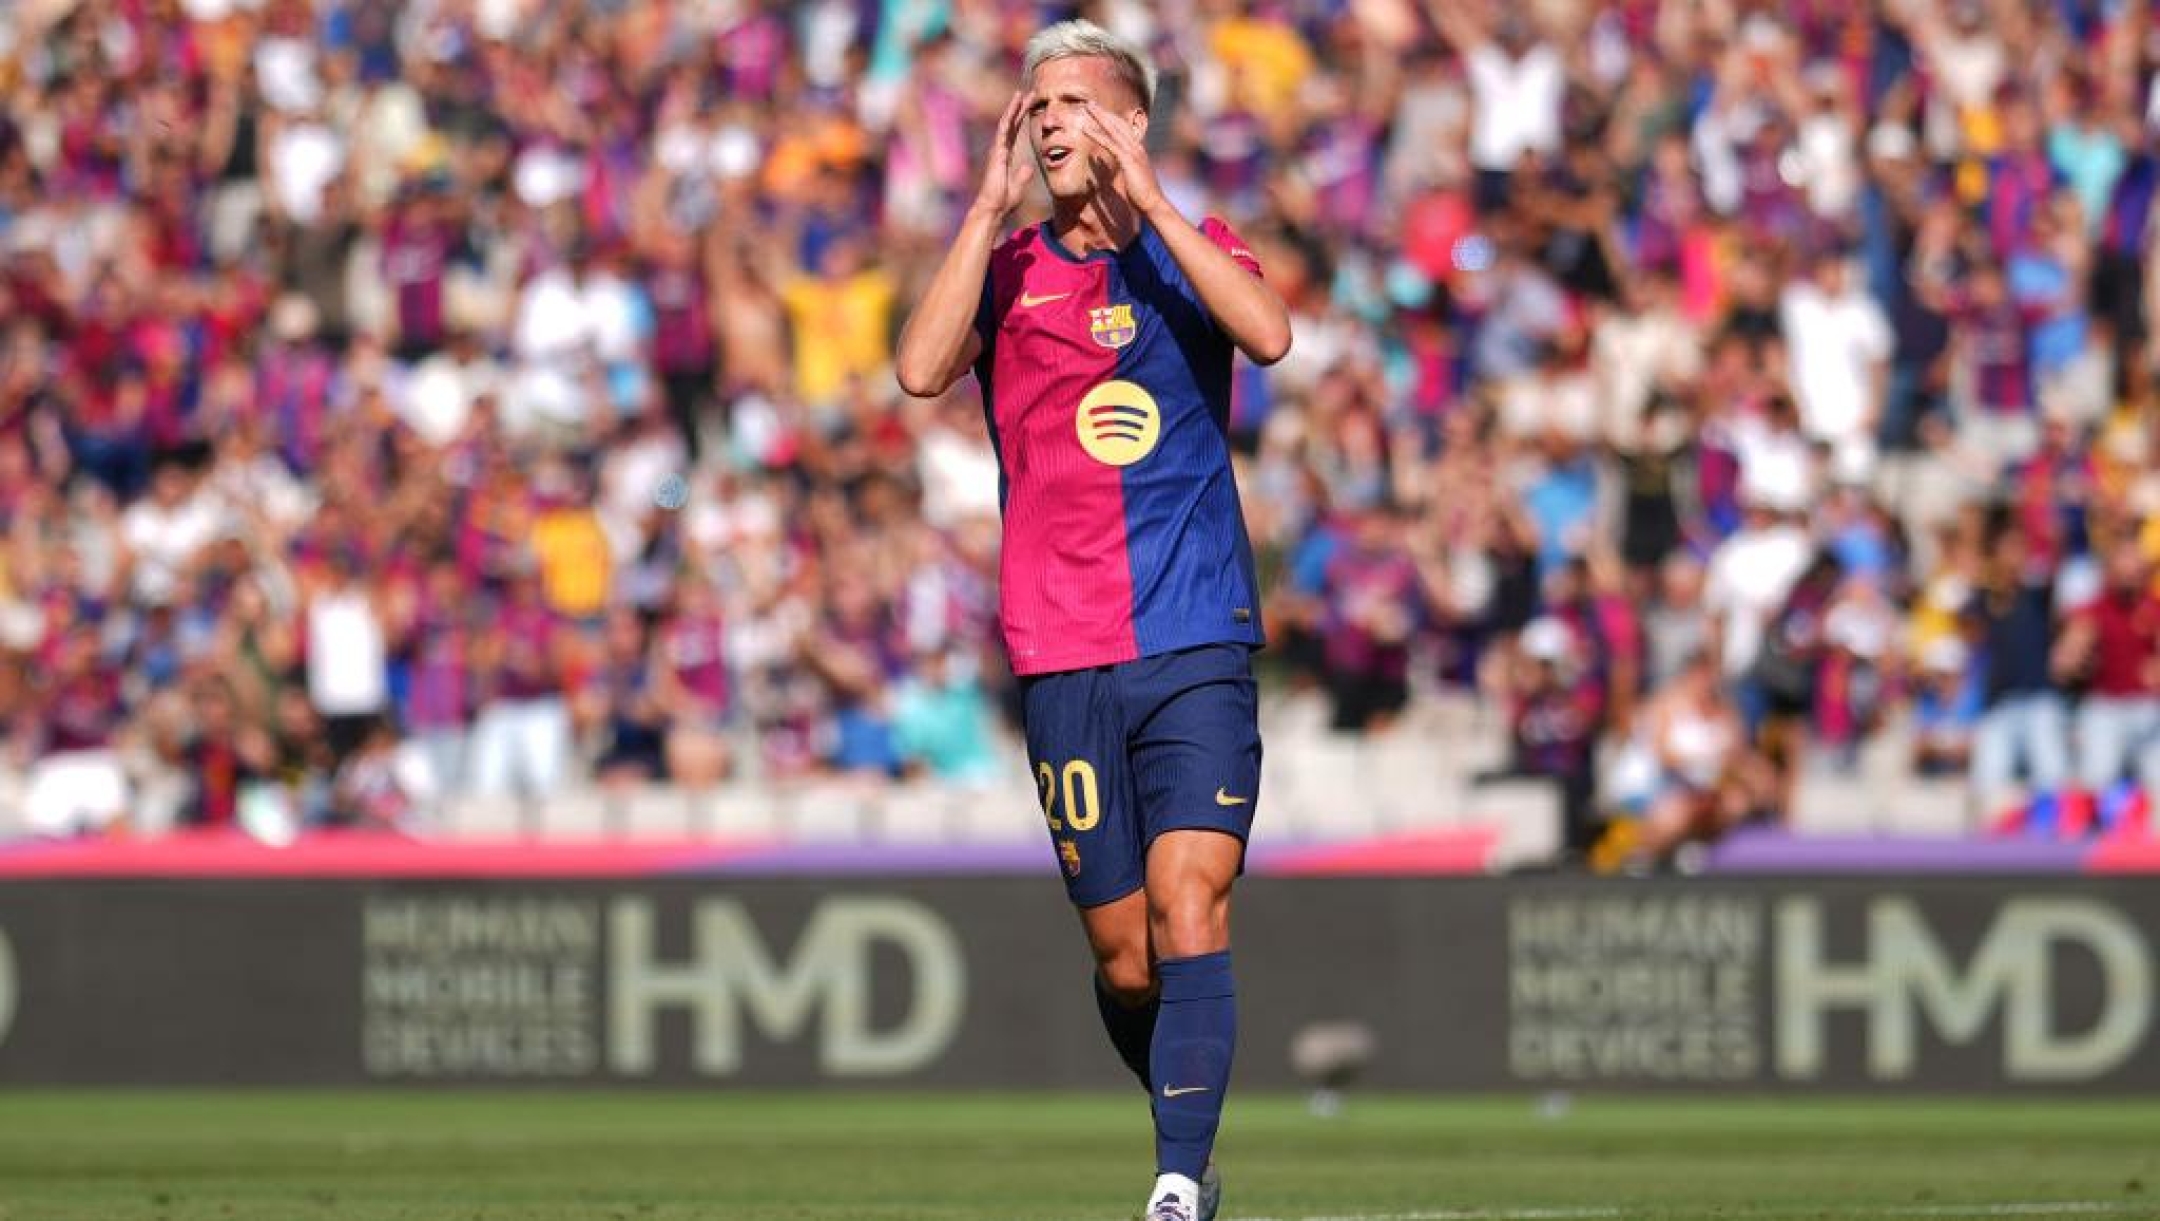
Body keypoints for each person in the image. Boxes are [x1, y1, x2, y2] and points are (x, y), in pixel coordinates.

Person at [893, 20, 1290, 1221]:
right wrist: (979, 214)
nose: (1049, 119)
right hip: (1061, 651)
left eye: (1073, 101)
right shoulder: (1008, 268)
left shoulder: (1191, 248)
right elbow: (917, 370)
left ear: (1129, 120)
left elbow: (1269, 335)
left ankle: (1176, 1183)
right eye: (1036, 102)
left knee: (1189, 906)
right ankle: (1183, 1120)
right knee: (1127, 958)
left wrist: (1156, 201)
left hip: (1193, 639)